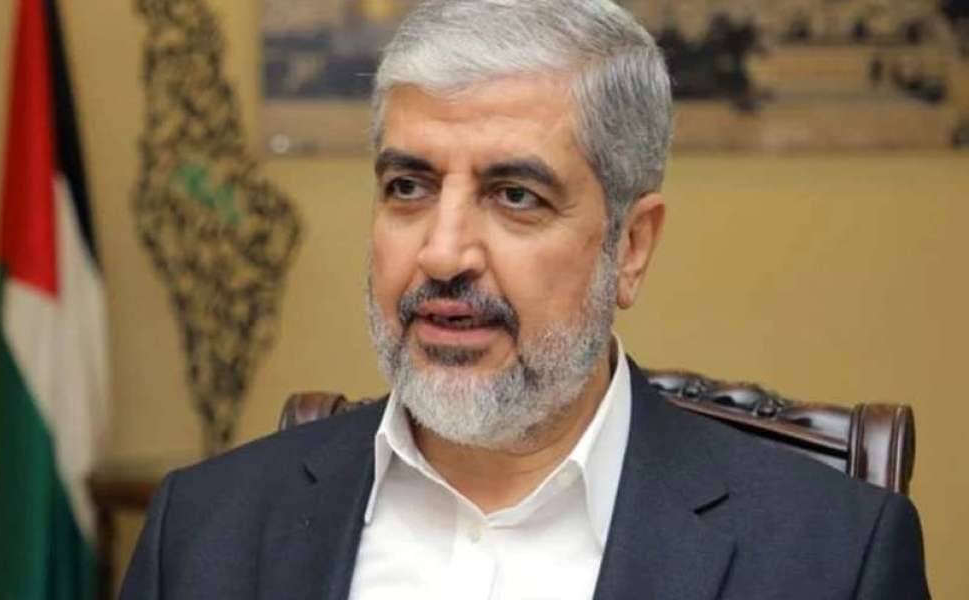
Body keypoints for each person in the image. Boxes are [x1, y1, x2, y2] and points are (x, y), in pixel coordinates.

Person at [120, 1, 929, 598]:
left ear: (631, 248)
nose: (443, 254)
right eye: (408, 187)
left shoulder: (831, 558)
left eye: (515, 196)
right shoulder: (202, 530)